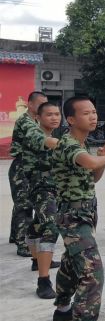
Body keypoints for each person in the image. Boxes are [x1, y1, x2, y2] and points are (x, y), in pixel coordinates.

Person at [52, 96, 105, 321]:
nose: (93, 116)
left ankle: (62, 306)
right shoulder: (67, 144)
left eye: (94, 111)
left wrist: (103, 160)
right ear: (71, 119)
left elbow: (92, 175)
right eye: (86, 113)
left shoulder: (83, 144)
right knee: (91, 273)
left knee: (71, 261)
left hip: (85, 213)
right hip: (73, 218)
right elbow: (89, 164)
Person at [25, 102, 62, 298]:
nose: (55, 118)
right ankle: (43, 281)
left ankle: (36, 260)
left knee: (37, 224)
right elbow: (51, 144)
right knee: (50, 226)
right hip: (40, 188)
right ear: (38, 117)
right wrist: (72, 146)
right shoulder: (34, 133)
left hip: (51, 187)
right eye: (49, 115)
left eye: (57, 114)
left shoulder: (53, 136)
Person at [8, 91, 49, 257]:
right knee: (24, 205)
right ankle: (23, 244)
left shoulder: (35, 121)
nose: (43, 108)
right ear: (30, 104)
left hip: (29, 167)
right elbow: (39, 138)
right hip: (21, 168)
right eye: (40, 104)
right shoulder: (26, 122)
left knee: (21, 202)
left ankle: (14, 235)